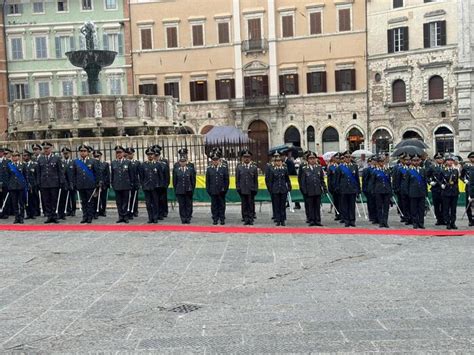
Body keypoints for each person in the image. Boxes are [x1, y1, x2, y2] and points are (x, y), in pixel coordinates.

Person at [36, 142, 65, 223]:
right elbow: (38, 172)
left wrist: (61, 181)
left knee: (54, 200)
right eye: (44, 148)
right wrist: (38, 182)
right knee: (46, 200)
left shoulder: (56, 158)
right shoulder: (40, 159)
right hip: (44, 183)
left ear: (51, 148)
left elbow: (60, 171)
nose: (46, 150)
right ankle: (49, 216)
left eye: (47, 148)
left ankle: (54, 215)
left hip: (54, 183)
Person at [72, 145, 102, 224]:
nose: (82, 153)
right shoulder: (76, 162)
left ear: (88, 152)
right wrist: (75, 183)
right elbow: (74, 174)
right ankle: (84, 216)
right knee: (83, 201)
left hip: (90, 185)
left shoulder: (93, 161)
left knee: (90, 201)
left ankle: (90, 216)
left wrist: (98, 183)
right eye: (81, 151)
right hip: (81, 185)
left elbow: (97, 173)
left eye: (84, 151)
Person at [298, 151, 326, 226]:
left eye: (313, 158)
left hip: (317, 190)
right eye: (310, 158)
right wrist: (304, 190)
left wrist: (324, 188)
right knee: (310, 206)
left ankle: (317, 220)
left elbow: (321, 179)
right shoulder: (304, 168)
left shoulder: (319, 168)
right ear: (307, 160)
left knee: (317, 206)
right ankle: (311, 220)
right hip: (309, 190)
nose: (312, 160)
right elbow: (302, 181)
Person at [266, 152, 291, 226]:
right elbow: (270, 181)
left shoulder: (284, 169)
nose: (278, 162)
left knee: (282, 205)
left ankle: (282, 220)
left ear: (282, 162)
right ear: (275, 162)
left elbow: (287, 179)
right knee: (276, 205)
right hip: (275, 189)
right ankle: (278, 219)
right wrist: (271, 189)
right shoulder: (272, 170)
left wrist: (289, 187)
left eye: (279, 161)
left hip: (283, 189)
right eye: (277, 161)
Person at [335, 151, 360, 227]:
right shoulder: (340, 167)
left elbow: (357, 178)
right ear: (343, 158)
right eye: (346, 157)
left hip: (352, 189)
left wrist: (358, 189)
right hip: (344, 189)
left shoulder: (354, 166)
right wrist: (338, 188)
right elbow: (337, 179)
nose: (348, 158)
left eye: (349, 157)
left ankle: (352, 220)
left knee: (352, 206)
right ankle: (346, 220)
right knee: (344, 206)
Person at [111, 146, 134, 223]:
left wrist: (131, 184)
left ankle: (125, 216)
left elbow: (131, 174)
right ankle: (120, 216)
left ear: (123, 153)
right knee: (119, 202)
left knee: (125, 201)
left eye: (120, 152)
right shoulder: (113, 163)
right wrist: (113, 184)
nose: (118, 154)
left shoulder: (128, 162)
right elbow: (112, 175)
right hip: (117, 185)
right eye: (117, 153)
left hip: (126, 185)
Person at [205, 150, 229, 225]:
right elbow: (207, 181)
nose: (215, 161)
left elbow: (226, 180)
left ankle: (222, 218)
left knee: (222, 205)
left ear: (219, 160)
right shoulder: (209, 169)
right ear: (212, 161)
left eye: (216, 160)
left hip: (221, 191)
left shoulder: (223, 168)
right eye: (214, 160)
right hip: (213, 190)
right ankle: (215, 218)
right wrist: (209, 190)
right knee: (214, 205)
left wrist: (225, 189)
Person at [139, 148, 162, 223]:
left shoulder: (158, 164)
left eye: (151, 154)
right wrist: (143, 185)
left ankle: (155, 217)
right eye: (148, 155)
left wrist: (159, 185)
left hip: (155, 187)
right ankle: (150, 217)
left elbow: (160, 176)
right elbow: (141, 176)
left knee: (155, 203)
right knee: (148, 203)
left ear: (154, 155)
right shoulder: (143, 165)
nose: (150, 156)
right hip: (147, 187)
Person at [236, 149, 258, 225]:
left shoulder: (254, 168)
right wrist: (238, 188)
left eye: (248, 157)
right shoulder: (239, 167)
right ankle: (245, 218)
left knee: (251, 204)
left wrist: (255, 188)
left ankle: (251, 218)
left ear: (250, 158)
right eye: (245, 157)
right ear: (242, 158)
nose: (246, 158)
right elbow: (237, 179)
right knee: (244, 204)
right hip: (242, 189)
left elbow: (255, 180)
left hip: (251, 189)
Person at [173, 153, 196, 224]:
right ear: (179, 162)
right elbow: (175, 182)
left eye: (184, 161)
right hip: (180, 190)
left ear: (186, 162)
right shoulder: (177, 170)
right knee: (182, 205)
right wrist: (176, 190)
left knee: (188, 205)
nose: (183, 163)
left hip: (188, 190)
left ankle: (188, 218)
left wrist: (192, 189)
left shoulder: (190, 169)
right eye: (181, 161)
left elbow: (193, 181)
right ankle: (183, 218)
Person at [5, 151, 28, 224]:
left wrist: (26, 185)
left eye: (16, 156)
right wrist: (9, 185)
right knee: (14, 203)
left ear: (18, 157)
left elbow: (25, 176)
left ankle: (21, 217)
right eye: (13, 156)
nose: (15, 157)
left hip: (21, 186)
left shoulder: (22, 165)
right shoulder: (9, 165)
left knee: (21, 203)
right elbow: (7, 176)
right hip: (12, 187)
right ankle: (16, 217)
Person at [407, 154, 427, 229]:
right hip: (413, 192)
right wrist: (408, 193)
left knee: (421, 209)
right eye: (414, 161)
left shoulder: (423, 170)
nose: (416, 162)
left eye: (417, 161)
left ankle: (421, 223)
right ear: (412, 162)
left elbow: (424, 182)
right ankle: (415, 222)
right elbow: (407, 183)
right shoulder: (409, 171)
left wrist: (426, 193)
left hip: (421, 192)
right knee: (414, 209)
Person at [372, 155, 392, 228]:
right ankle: (381, 221)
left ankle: (385, 221)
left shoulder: (387, 170)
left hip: (386, 191)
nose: (382, 163)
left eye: (383, 161)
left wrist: (390, 192)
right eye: (380, 161)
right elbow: (373, 183)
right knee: (379, 207)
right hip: (378, 191)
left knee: (386, 207)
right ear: (377, 162)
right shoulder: (375, 171)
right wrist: (374, 192)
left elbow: (389, 182)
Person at [441, 155, 459, 230]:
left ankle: (453, 223)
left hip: (454, 192)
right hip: (446, 192)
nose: (450, 161)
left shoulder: (455, 171)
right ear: (446, 162)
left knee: (453, 209)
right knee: (446, 208)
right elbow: (440, 180)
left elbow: (456, 181)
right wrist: (441, 185)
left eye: (451, 160)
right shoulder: (443, 171)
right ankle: (447, 222)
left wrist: (458, 192)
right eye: (448, 160)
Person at [427, 153, 445, 225]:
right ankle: (439, 219)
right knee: (436, 205)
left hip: (444, 189)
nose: (439, 159)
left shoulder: (445, 167)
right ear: (435, 159)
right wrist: (430, 182)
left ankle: (444, 219)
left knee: (444, 205)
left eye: (441, 158)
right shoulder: (432, 167)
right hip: (435, 188)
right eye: (438, 158)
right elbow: (427, 176)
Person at [154, 146, 170, 220]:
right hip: (155, 185)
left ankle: (164, 211)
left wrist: (166, 183)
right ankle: (158, 213)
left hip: (163, 184)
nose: (156, 156)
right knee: (156, 200)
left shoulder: (164, 162)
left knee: (163, 199)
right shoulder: (153, 163)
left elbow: (167, 174)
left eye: (157, 155)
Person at [58, 147, 74, 220]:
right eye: (64, 154)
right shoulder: (61, 162)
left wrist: (74, 182)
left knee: (72, 197)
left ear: (69, 153)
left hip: (72, 182)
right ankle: (68, 210)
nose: (65, 155)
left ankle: (73, 210)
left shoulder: (73, 162)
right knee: (65, 198)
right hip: (65, 183)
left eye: (66, 153)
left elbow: (75, 173)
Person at [125, 148, 140, 219]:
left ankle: (134, 210)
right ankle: (128, 211)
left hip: (135, 182)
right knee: (127, 198)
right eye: (128, 153)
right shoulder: (125, 162)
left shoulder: (137, 163)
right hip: (127, 183)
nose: (129, 155)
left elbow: (139, 173)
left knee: (134, 197)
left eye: (131, 153)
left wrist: (138, 183)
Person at [22, 150, 38, 220]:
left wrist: (34, 184)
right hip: (25, 185)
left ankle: (33, 213)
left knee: (33, 199)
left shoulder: (34, 164)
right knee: (26, 200)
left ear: (29, 156)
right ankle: (28, 213)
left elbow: (36, 175)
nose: (24, 157)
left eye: (26, 155)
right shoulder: (22, 165)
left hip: (32, 185)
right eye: (24, 156)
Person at [93, 150, 110, 218]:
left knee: (103, 198)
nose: (96, 157)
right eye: (95, 156)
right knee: (96, 199)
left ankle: (103, 211)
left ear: (100, 156)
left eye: (98, 156)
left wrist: (105, 183)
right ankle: (97, 211)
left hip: (103, 184)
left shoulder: (105, 164)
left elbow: (107, 174)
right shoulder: (92, 164)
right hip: (95, 185)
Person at [460, 151, 474, 226]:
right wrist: (464, 180)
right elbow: (461, 176)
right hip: (468, 187)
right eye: (471, 157)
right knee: (468, 204)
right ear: (469, 158)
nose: (473, 159)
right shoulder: (466, 166)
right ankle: (470, 220)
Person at [327, 153, 341, 221]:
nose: (338, 159)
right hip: (334, 188)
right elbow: (329, 178)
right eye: (337, 158)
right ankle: (337, 214)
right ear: (334, 159)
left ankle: (344, 215)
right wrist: (330, 187)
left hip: (342, 187)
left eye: (339, 158)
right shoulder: (331, 167)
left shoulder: (343, 167)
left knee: (343, 202)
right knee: (336, 202)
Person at [0, 148, 10, 219]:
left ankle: (5, 213)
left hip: (5, 184)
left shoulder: (7, 162)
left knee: (5, 199)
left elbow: (9, 173)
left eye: (0, 152)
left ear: (3, 153)